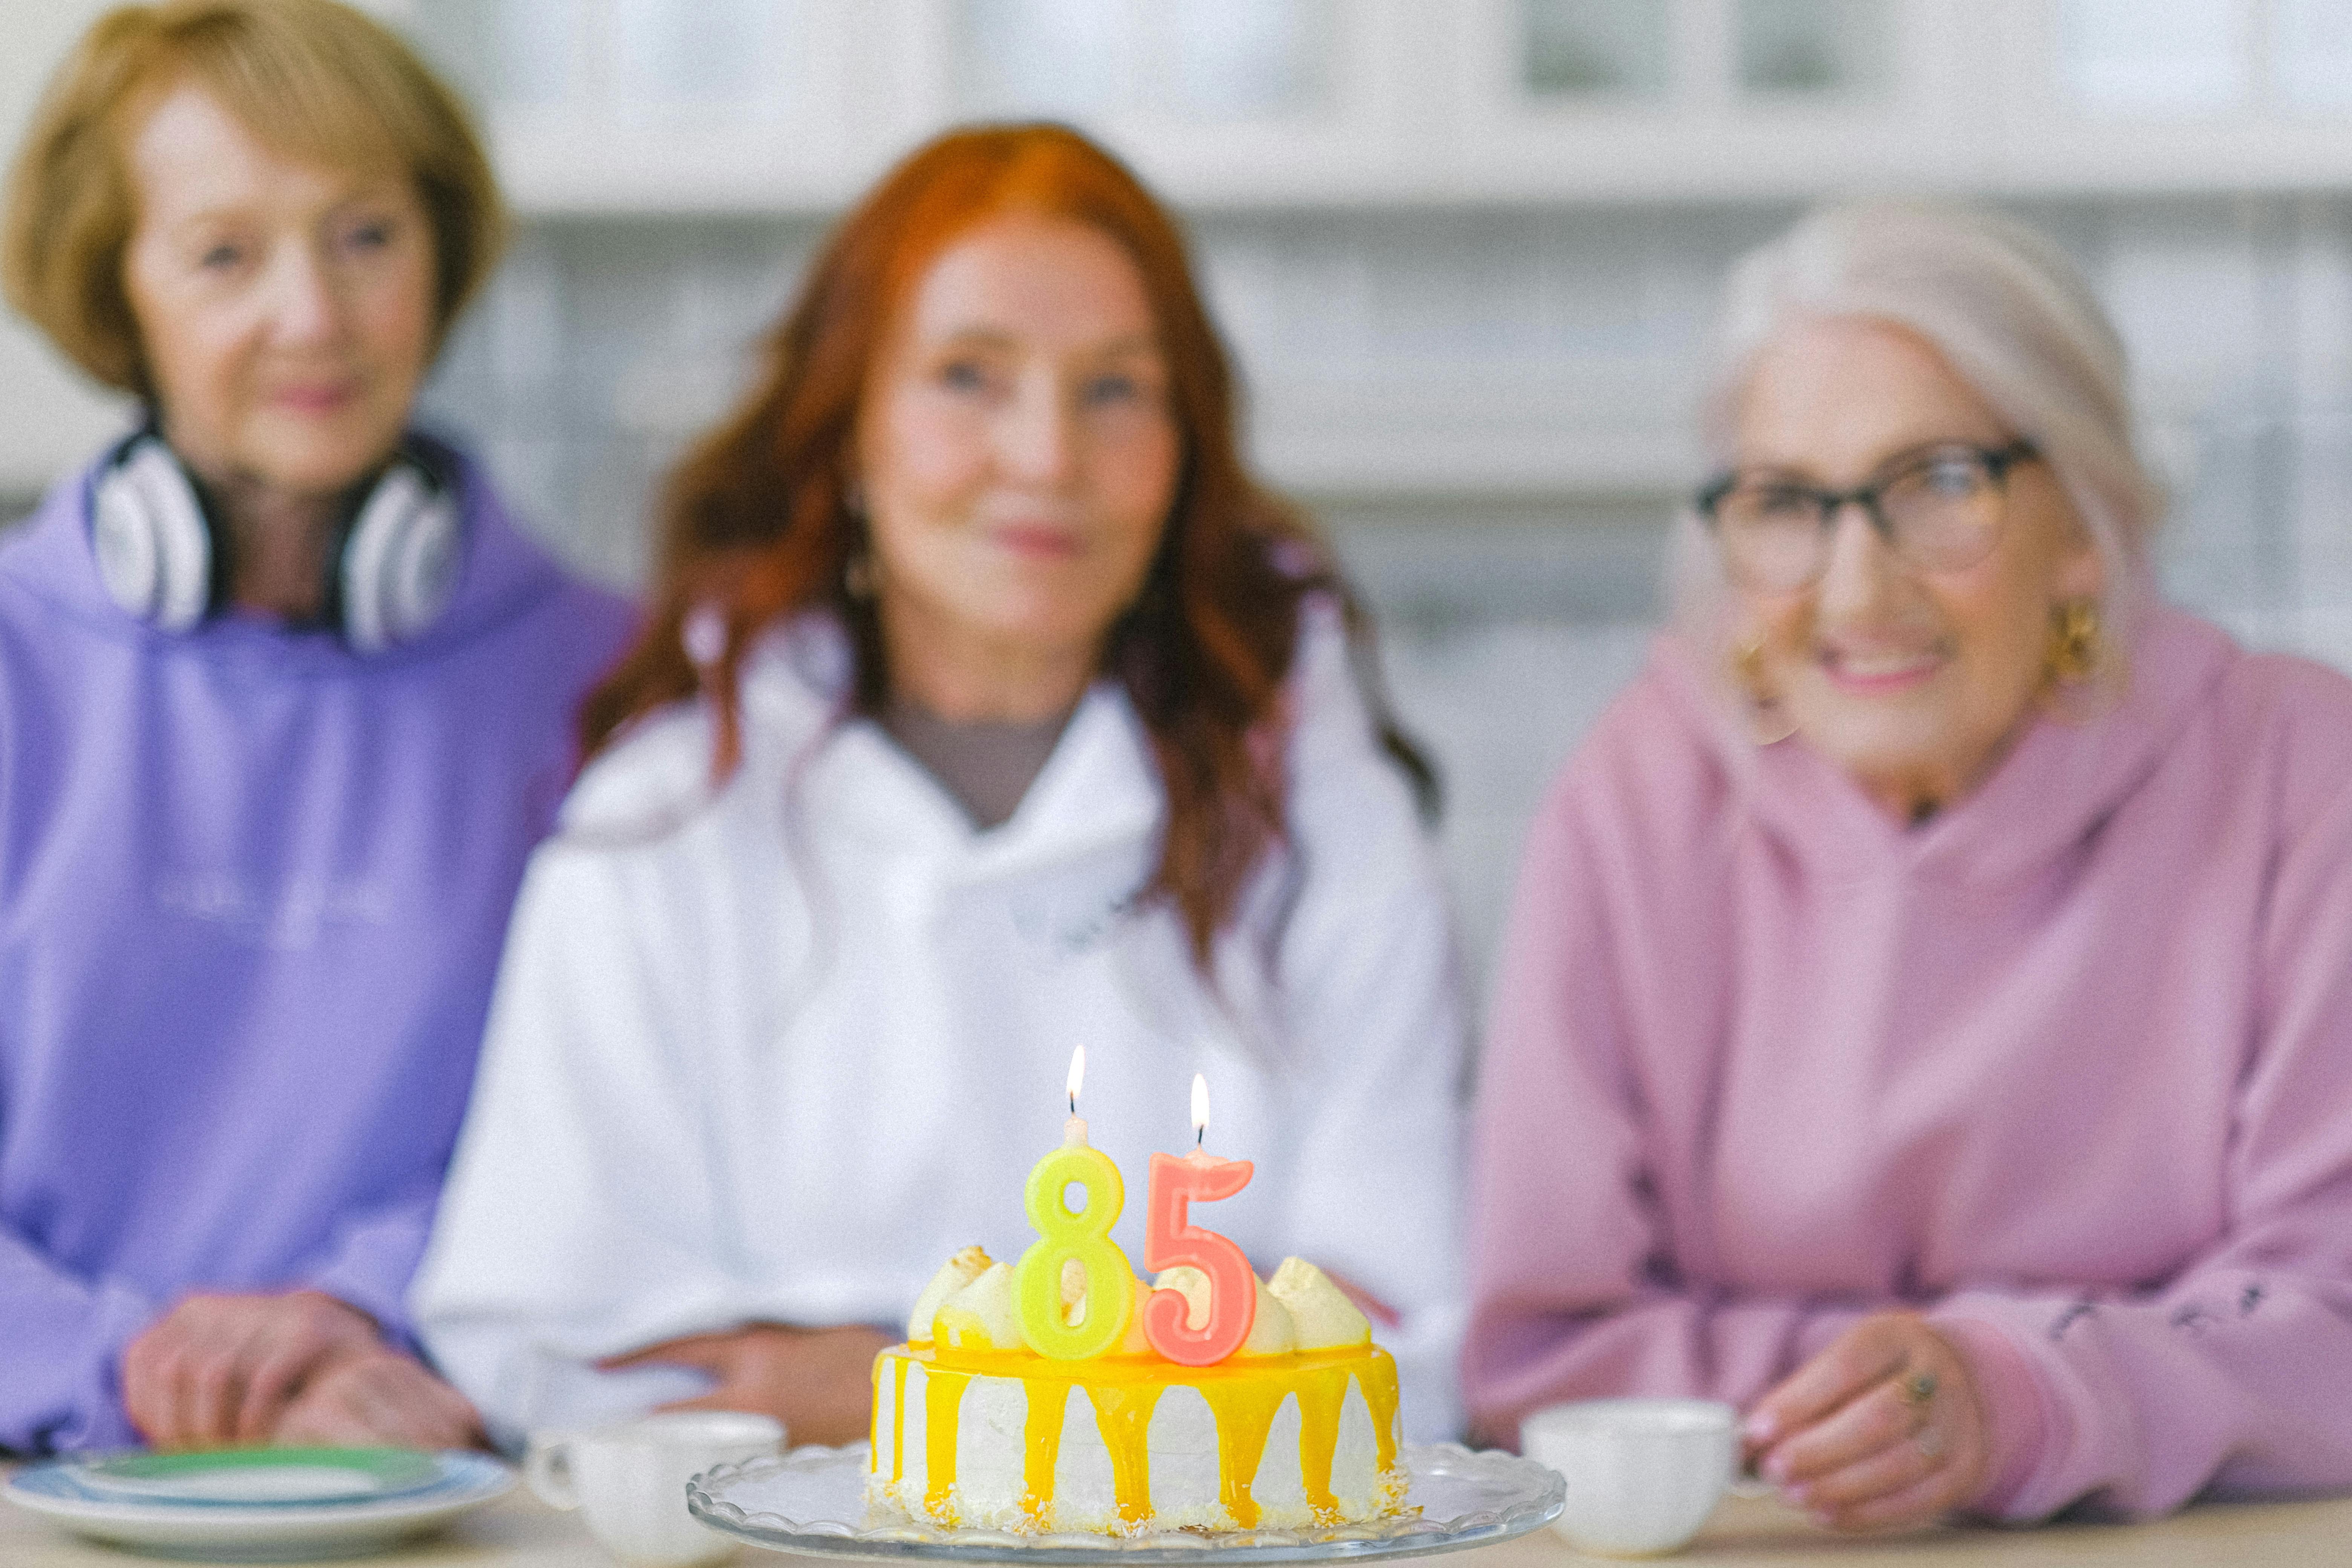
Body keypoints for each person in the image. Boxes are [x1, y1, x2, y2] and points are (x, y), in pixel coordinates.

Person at [410, 124, 1467, 1451]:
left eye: (1117, 390)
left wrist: (900, 1384)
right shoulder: (661, 829)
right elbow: (549, 1350)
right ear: (848, 430)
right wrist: (1174, 1369)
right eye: (970, 378)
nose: (1045, 458)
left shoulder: (1318, 818)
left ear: (1187, 446)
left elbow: (1407, 1343)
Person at [1463, 202, 2352, 1529]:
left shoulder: (2297, 770)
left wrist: (2027, 1392)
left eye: (1939, 484)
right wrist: (1891, 1408)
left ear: (2084, 523)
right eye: (1784, 504)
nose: (1856, 589)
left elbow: (2333, 1320)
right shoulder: (1633, 803)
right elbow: (1544, 1358)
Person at [0, 0, 632, 1453]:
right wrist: (148, 1372)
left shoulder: (611, 677)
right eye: (226, 254)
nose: (315, 316)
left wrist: (358, 1313)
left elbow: (625, 1136)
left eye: (366, 235)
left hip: (427, 1459)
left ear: (443, 254)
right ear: (119, 297)